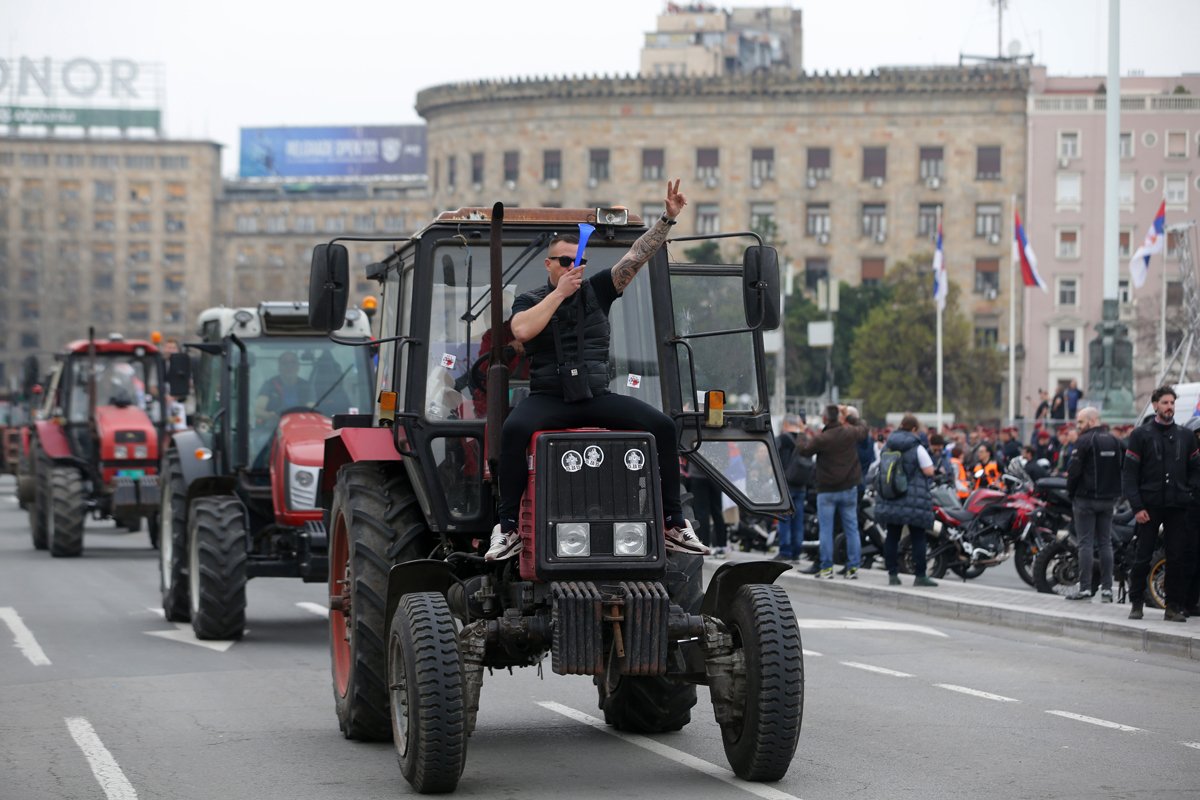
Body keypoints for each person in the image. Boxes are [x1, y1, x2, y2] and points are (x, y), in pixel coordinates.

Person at [486, 179, 708, 560]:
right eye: (564, 262)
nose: (573, 267)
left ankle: (673, 522)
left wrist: (667, 221)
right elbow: (521, 330)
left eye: (579, 261)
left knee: (664, 426)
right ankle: (507, 529)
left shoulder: (598, 291)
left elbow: (636, 258)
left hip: (594, 396)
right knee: (514, 429)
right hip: (549, 397)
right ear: (549, 265)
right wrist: (559, 294)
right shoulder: (531, 299)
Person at [1121, 385, 1200, 622]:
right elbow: (1129, 475)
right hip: (1149, 507)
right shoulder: (1141, 435)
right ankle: (1136, 603)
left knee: (1177, 558)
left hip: (1178, 507)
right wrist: (1137, 507)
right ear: (1155, 405)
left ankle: (1173, 606)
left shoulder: (1185, 436)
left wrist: (1189, 492)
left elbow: (1196, 469)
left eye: (1172, 403)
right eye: (1165, 403)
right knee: (1143, 556)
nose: (1169, 407)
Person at [795, 403, 868, 579]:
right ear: (840, 417)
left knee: (826, 530)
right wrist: (850, 415)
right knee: (851, 529)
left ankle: (827, 568)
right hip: (849, 488)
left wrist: (801, 431)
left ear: (825, 418)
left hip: (826, 491)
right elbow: (864, 429)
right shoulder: (849, 433)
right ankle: (853, 568)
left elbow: (803, 451)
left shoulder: (822, 438)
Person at [1063, 407, 1123, 602]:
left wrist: (1071, 492)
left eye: (1080, 422)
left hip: (1085, 499)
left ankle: (1085, 588)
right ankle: (1107, 590)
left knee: (1086, 544)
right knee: (1105, 543)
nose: (1078, 426)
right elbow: (1122, 468)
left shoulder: (1083, 441)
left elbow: (1074, 471)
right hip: (1108, 500)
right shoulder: (1114, 440)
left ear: (1092, 420)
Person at [876, 414, 938, 587]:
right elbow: (929, 470)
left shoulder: (887, 444)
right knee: (918, 537)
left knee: (892, 536)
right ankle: (920, 576)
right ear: (913, 429)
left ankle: (893, 574)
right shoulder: (916, 447)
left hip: (891, 496)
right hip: (913, 499)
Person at [774, 414, 812, 563]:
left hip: (785, 486)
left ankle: (785, 552)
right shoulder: (804, 439)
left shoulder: (782, 439)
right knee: (798, 520)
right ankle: (796, 552)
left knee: (784, 519)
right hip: (801, 485)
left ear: (784, 424)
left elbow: (773, 459)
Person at [683, 456, 728, 557]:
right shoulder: (718, 441)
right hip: (716, 474)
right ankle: (721, 545)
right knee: (717, 512)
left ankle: (705, 545)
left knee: (702, 513)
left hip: (698, 475)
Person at [255, 351, 310, 425]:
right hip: (273, 428)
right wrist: (270, 416)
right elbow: (258, 411)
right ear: (279, 367)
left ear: (298, 366)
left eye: (293, 363)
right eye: (285, 363)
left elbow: (311, 408)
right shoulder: (270, 384)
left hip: (301, 425)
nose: (289, 366)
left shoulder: (306, 385)